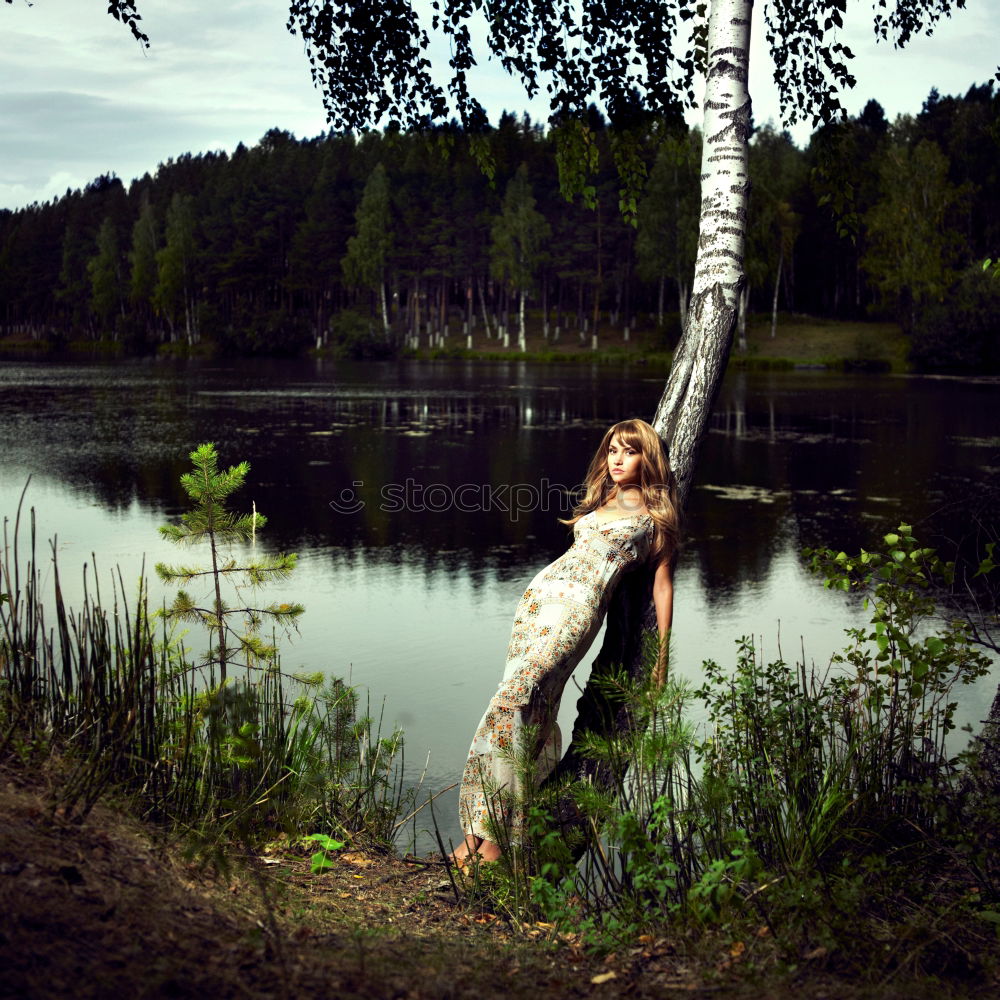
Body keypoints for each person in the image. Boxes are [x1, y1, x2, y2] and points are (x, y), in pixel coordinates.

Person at [451, 418, 678, 865]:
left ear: (647, 457)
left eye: (628, 451)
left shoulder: (657, 519)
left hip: (577, 614)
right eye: (612, 449)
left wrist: (661, 658)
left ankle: (498, 838)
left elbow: (663, 587)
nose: (616, 459)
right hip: (539, 603)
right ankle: (476, 834)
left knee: (522, 701)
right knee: (509, 705)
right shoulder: (603, 499)